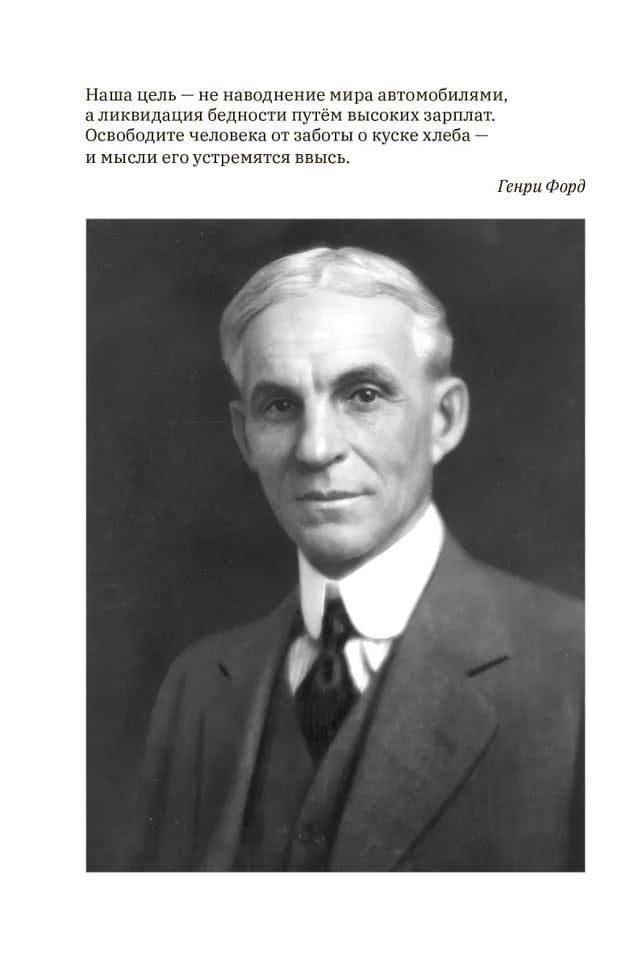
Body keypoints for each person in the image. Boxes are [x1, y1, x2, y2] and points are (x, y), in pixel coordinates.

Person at [126, 246, 584, 872]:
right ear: (244, 436)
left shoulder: (585, 668)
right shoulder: (198, 685)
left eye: (363, 395)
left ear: (444, 419)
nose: (316, 449)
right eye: (279, 405)